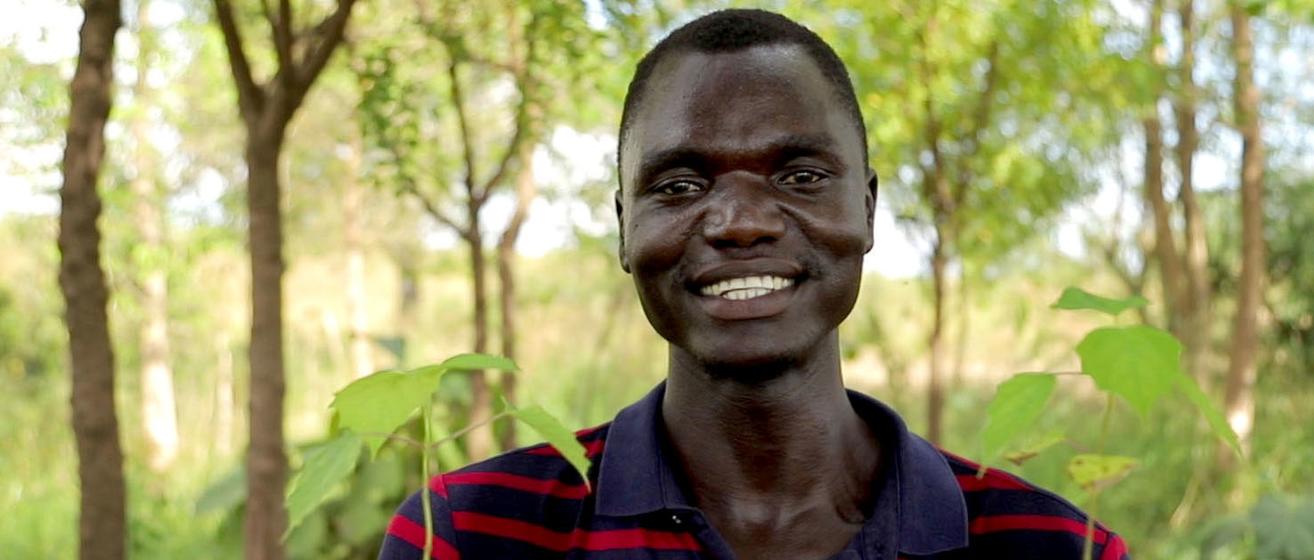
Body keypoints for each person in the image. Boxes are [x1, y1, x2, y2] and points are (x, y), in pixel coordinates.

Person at [379, 9, 1130, 560]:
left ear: (866, 212)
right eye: (678, 185)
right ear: (624, 228)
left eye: (800, 176)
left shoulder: (1053, 546)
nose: (740, 223)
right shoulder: (469, 534)